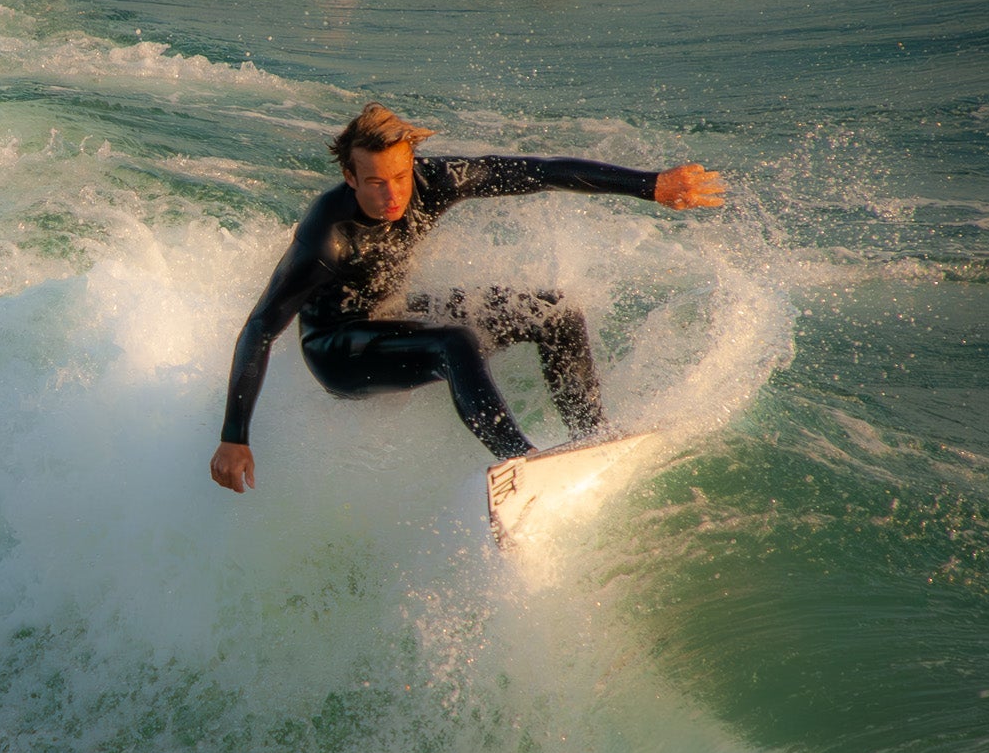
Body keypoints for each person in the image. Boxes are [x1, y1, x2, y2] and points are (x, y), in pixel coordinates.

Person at [209, 103, 726, 494]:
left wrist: (650, 185)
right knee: (453, 343)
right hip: (339, 350)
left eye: (400, 177)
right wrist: (235, 435)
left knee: (554, 309)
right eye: (374, 183)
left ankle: (591, 437)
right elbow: (259, 328)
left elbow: (540, 172)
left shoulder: (434, 181)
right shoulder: (328, 237)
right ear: (349, 177)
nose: (392, 196)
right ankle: (522, 463)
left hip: (393, 317)